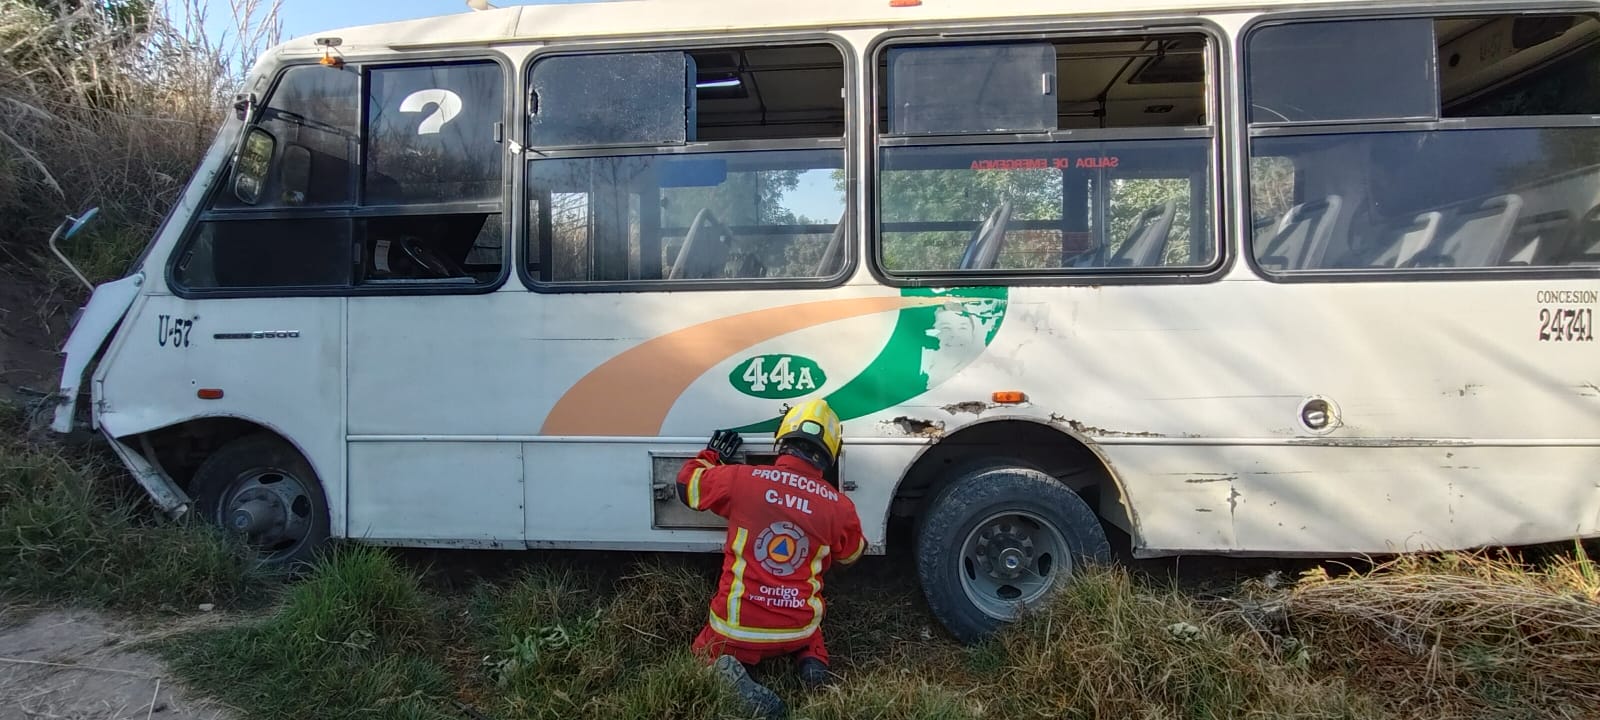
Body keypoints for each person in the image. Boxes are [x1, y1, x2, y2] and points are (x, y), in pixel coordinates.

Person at [676, 398, 866, 720]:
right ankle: (812, 662)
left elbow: (687, 486)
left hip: (737, 629)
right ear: (829, 456)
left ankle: (724, 670)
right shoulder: (839, 507)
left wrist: (713, 455)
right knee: (812, 624)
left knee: (704, 651)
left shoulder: (742, 480)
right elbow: (852, 554)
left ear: (783, 440)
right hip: (797, 628)